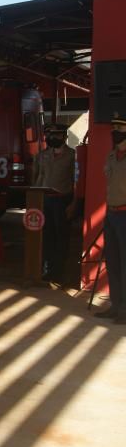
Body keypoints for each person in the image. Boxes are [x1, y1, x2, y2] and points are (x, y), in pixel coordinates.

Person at [32, 123, 77, 284]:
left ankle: (60, 271)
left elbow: (76, 181)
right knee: (47, 236)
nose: (52, 138)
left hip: (62, 201)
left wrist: (73, 203)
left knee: (62, 237)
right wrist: (34, 198)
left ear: (64, 137)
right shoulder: (43, 155)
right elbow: (37, 177)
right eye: (51, 135)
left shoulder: (72, 155)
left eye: (56, 135)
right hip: (45, 200)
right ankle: (48, 270)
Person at [96, 115, 126, 324]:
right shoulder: (111, 156)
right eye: (114, 128)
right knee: (113, 262)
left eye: (120, 129)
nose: (115, 132)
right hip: (111, 213)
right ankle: (116, 306)